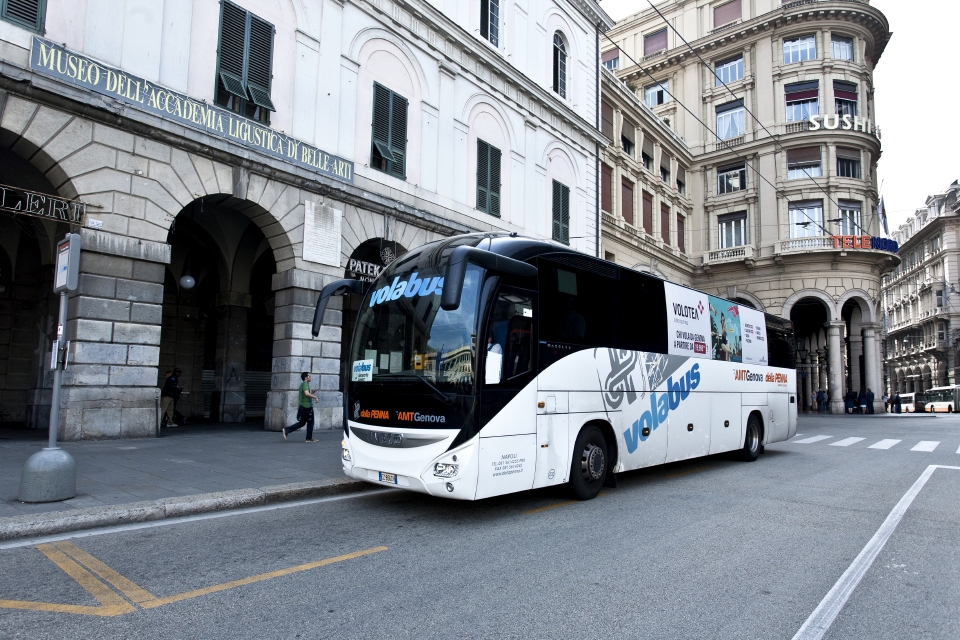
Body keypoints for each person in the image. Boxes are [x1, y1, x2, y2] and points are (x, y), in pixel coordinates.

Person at [282, 372, 318, 442]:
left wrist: (312, 393)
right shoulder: (305, 384)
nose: (310, 378)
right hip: (307, 407)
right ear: (306, 377)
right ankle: (308, 438)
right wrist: (315, 397)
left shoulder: (302, 385)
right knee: (310, 422)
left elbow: (305, 395)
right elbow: (306, 394)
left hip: (303, 407)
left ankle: (287, 430)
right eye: (309, 376)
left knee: (302, 423)